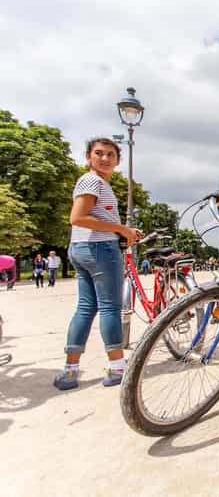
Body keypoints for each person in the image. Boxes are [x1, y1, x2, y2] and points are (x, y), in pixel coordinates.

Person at [54, 136, 144, 390]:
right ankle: (117, 367)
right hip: (99, 249)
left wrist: (124, 231)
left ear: (117, 161)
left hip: (82, 248)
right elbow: (78, 217)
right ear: (88, 157)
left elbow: (90, 217)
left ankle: (70, 370)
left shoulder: (95, 182)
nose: (105, 159)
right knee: (109, 308)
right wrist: (120, 229)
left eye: (110, 155)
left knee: (85, 308)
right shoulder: (92, 180)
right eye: (99, 153)